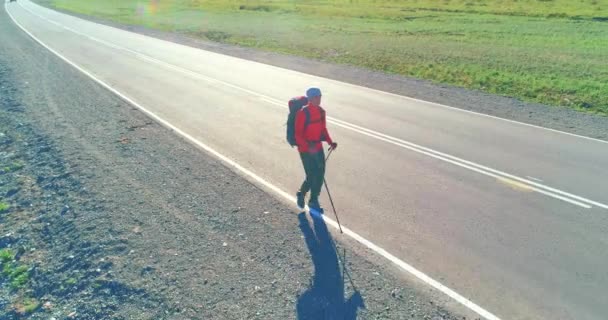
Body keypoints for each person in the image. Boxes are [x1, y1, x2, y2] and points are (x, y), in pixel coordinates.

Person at [295, 87, 337, 212]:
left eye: (319, 96)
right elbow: (298, 135)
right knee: (312, 174)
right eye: (315, 97)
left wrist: (330, 142)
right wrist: (308, 146)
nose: (318, 99)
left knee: (320, 175)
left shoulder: (321, 111)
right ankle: (301, 193)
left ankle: (313, 200)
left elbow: (323, 129)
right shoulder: (303, 113)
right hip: (305, 150)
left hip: (318, 148)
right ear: (310, 99)